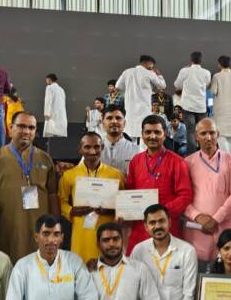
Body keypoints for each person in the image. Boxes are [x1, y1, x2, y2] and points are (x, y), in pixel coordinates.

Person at [0, 112, 59, 262]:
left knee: (39, 269)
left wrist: (56, 227)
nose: (26, 131)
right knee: (7, 267)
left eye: (31, 128)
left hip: (39, 231)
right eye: (21, 126)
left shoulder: (44, 158)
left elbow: (52, 194)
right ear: (11, 128)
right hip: (7, 230)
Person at [124, 115, 193, 253]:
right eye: (148, 132)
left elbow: (185, 195)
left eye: (157, 132)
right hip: (141, 226)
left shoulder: (177, 162)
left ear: (165, 134)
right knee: (138, 262)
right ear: (142, 135)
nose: (152, 136)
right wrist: (125, 211)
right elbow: (130, 192)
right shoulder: (135, 161)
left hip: (167, 225)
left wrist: (162, 213)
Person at [59, 132, 125, 263]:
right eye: (87, 147)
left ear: (102, 148)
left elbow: (124, 203)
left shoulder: (116, 175)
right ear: (80, 149)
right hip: (81, 233)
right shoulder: (69, 175)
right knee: (81, 267)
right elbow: (61, 201)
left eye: (96, 147)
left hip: (108, 232)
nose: (92, 151)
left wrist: (112, 210)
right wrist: (72, 211)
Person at [183, 119, 231, 261]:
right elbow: (182, 197)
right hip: (197, 227)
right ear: (196, 136)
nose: (208, 137)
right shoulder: (188, 162)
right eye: (203, 133)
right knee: (198, 268)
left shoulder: (230, 160)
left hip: (224, 225)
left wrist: (216, 219)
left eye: (212, 133)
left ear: (218, 134)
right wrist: (197, 216)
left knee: (225, 268)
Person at [115, 55, 166, 143]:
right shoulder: (149, 73)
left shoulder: (127, 72)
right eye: (152, 65)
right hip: (144, 110)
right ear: (148, 63)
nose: (152, 67)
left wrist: (129, 88)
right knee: (144, 138)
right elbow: (162, 86)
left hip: (130, 110)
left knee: (130, 139)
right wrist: (159, 75)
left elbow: (117, 86)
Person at [175, 51, 211, 154]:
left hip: (188, 106)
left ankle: (192, 156)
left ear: (191, 60)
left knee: (190, 132)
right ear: (201, 60)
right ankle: (204, 154)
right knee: (203, 131)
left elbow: (177, 85)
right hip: (201, 107)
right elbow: (207, 85)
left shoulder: (184, 71)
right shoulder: (206, 72)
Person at [210, 55, 231, 154]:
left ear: (219, 64)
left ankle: (227, 161)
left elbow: (213, 91)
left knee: (222, 141)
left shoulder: (216, 76)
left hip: (221, 115)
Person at [100, 105, 139, 177]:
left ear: (124, 123)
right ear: (103, 123)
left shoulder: (136, 151)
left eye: (118, 118)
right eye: (109, 118)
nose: (114, 121)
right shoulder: (93, 149)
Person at [42, 73, 68, 138]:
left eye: (46, 80)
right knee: (59, 135)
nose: (46, 82)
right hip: (61, 116)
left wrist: (46, 113)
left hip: (52, 115)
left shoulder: (49, 87)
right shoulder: (61, 89)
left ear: (49, 79)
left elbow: (48, 101)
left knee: (50, 133)